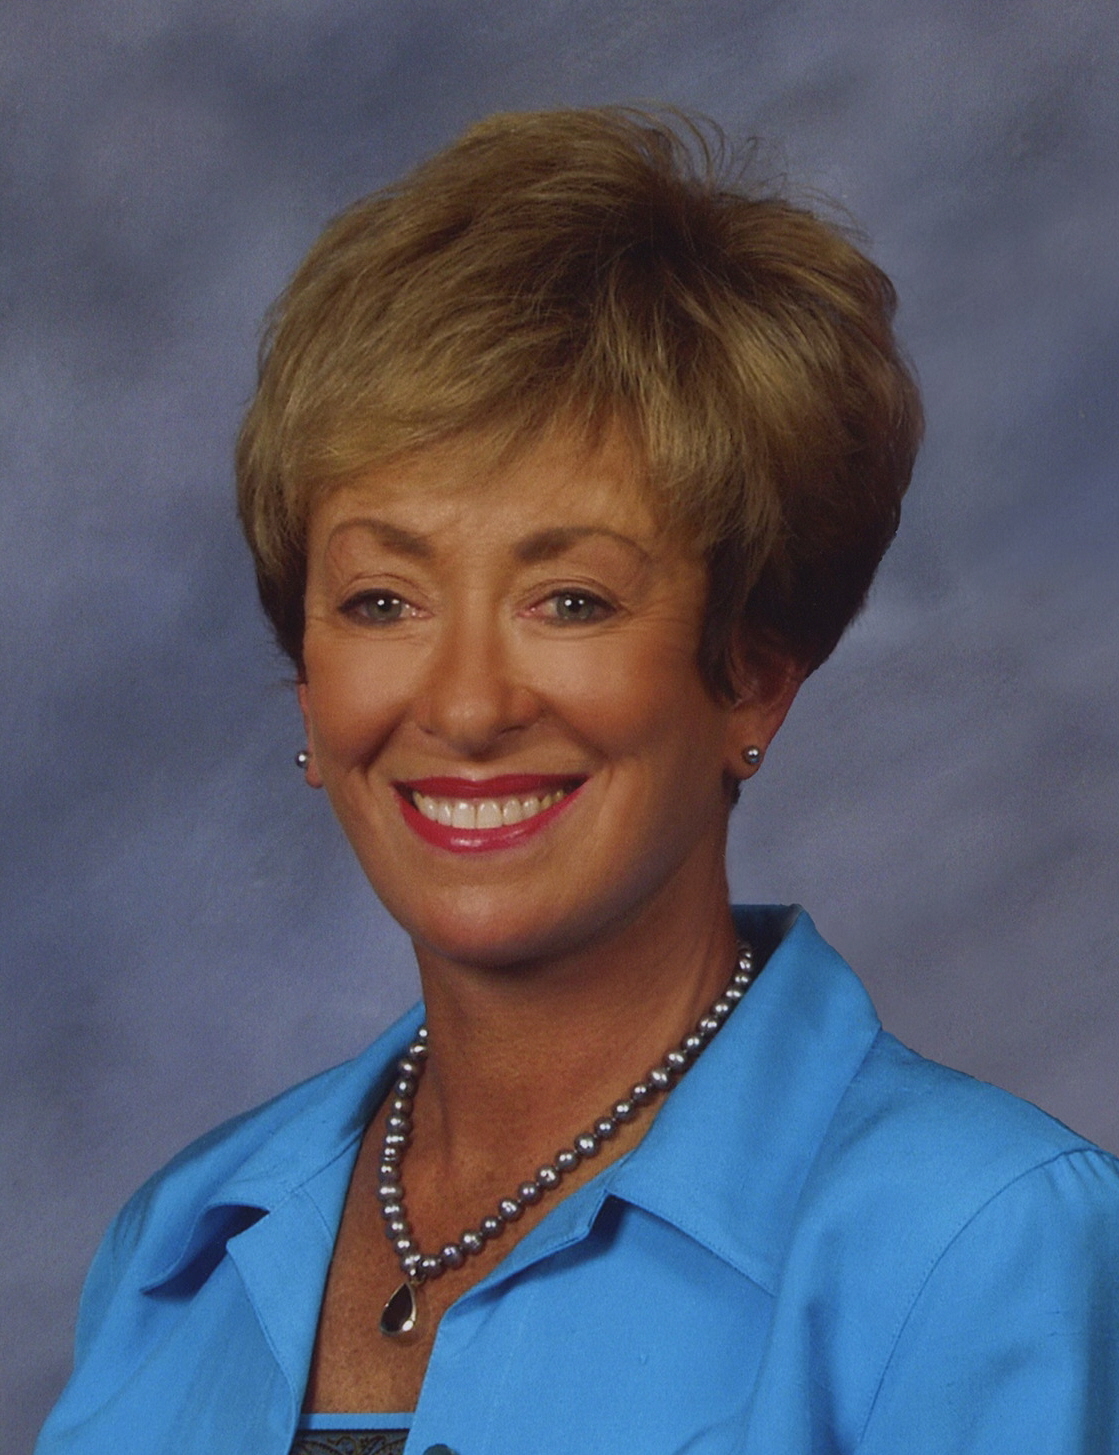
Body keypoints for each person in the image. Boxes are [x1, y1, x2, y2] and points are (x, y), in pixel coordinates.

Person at [37, 107, 1119, 1455]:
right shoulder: (177, 1254)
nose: (466, 705)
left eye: (570, 599)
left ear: (751, 677)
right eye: (382, 601)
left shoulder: (983, 1244)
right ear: (309, 687)